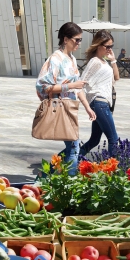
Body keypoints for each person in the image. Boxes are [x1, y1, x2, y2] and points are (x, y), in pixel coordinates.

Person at [35, 22, 97, 175]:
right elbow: (43, 86)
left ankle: (44, 176)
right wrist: (70, 86)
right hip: (61, 108)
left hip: (71, 108)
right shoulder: (55, 59)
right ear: (65, 39)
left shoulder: (72, 59)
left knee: (72, 147)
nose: (79, 43)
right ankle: (69, 184)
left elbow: (78, 87)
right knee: (74, 148)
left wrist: (88, 107)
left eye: (80, 40)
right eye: (77, 40)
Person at [78, 30, 120, 158]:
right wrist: (87, 107)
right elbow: (81, 83)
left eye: (111, 46)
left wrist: (113, 60)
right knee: (113, 138)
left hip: (102, 104)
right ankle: (113, 172)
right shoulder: (95, 62)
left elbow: (116, 78)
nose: (109, 49)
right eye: (107, 46)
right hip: (99, 103)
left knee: (94, 140)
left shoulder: (104, 61)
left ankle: (69, 161)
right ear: (98, 45)